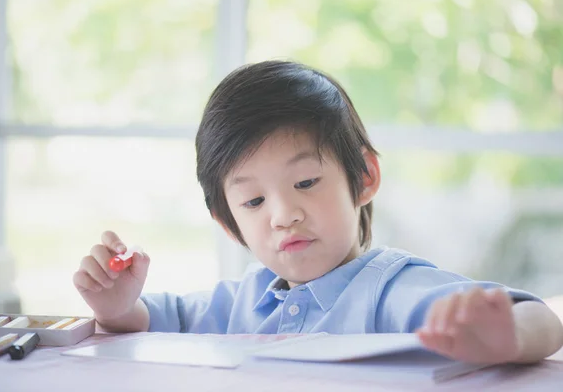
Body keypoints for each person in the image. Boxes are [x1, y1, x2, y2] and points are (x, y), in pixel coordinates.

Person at [72, 61, 563, 364]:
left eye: (306, 182)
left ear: (365, 178)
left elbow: (540, 319)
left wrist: (504, 338)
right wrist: (116, 307)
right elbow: (158, 321)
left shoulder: (390, 290)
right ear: (228, 223)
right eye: (254, 202)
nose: (284, 214)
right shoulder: (243, 303)